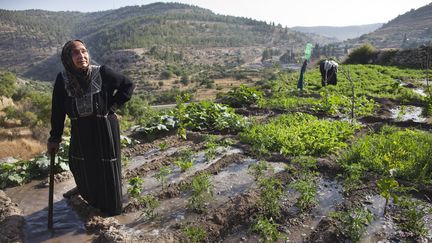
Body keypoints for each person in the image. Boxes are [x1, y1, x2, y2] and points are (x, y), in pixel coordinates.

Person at [47, 40, 134, 216]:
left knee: (106, 166)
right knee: (79, 163)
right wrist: (54, 138)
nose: (81, 56)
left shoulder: (102, 72)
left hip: (104, 127)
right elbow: (57, 110)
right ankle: (91, 197)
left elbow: (128, 85)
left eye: (84, 51)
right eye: (75, 53)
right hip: (80, 129)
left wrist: (112, 107)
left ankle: (110, 207)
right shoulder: (62, 79)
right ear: (67, 58)